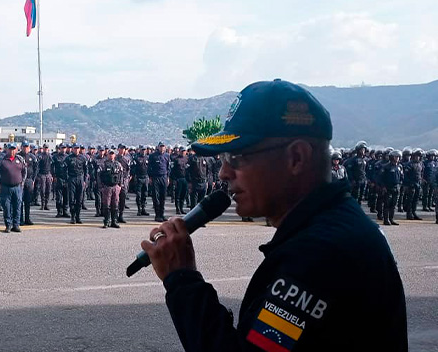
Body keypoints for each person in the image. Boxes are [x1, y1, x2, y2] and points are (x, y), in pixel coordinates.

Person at [140, 79, 407, 351]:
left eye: (237, 157)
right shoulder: (327, 229)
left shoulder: (321, 252)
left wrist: (182, 280)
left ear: (296, 158)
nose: (223, 173)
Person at [0, 143, 26, 233]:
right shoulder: (2, 159)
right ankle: (8, 225)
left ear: (17, 150)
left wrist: (22, 182)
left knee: (17, 206)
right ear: (7, 149)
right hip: (5, 187)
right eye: (10, 149)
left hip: (17, 187)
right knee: (6, 207)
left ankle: (16, 225)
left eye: (14, 149)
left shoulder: (20, 159)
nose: (12, 151)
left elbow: (24, 172)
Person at [97, 149, 123, 228]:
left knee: (115, 205)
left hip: (115, 187)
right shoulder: (104, 164)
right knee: (106, 205)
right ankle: (106, 221)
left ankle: (114, 221)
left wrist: (120, 185)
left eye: (112, 154)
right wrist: (101, 186)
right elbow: (99, 175)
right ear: (107, 155)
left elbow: (121, 174)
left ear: (114, 155)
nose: (111, 155)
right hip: (107, 187)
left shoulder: (118, 164)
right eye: (110, 154)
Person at [148, 142, 171, 222]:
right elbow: (149, 167)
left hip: (164, 177)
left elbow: (168, 167)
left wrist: (168, 177)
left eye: (163, 147)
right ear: (158, 147)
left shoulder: (167, 156)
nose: (162, 148)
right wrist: (150, 177)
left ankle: (162, 214)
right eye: (160, 147)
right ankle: (157, 215)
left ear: (165, 148)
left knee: (163, 196)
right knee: (156, 197)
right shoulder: (152, 156)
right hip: (155, 177)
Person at [65, 143, 88, 224]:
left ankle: (78, 216)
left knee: (79, 199)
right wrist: (67, 179)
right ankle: (72, 217)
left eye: (78, 148)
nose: (77, 150)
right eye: (75, 148)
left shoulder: (83, 158)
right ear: (72, 149)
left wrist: (85, 180)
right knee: (71, 199)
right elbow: (65, 169)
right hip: (72, 178)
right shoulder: (68, 158)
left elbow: (86, 170)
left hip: (80, 179)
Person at [381, 150, 403, 226]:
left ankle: (391, 219)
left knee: (393, 204)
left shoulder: (400, 166)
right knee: (387, 204)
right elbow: (381, 178)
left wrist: (400, 184)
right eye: (396, 157)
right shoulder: (386, 167)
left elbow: (401, 177)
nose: (397, 158)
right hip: (388, 188)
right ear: (392, 157)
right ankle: (386, 220)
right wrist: (383, 187)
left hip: (396, 188)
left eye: (398, 157)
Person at [19, 141, 38, 226]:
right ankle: (20, 219)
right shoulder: (18, 157)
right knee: (20, 201)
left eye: (27, 147)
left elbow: (36, 169)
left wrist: (33, 180)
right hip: (20, 181)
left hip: (29, 181)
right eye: (24, 147)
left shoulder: (32, 157)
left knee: (28, 201)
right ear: (21, 147)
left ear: (29, 148)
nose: (25, 148)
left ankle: (27, 218)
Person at [36, 144, 53, 211]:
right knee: (42, 190)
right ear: (43, 148)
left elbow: (52, 166)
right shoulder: (40, 156)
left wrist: (51, 175)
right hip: (42, 174)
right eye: (45, 148)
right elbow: (37, 166)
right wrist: (38, 175)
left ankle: (46, 204)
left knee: (48, 190)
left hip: (48, 174)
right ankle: (42, 204)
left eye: (47, 148)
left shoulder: (50, 156)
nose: (46, 149)